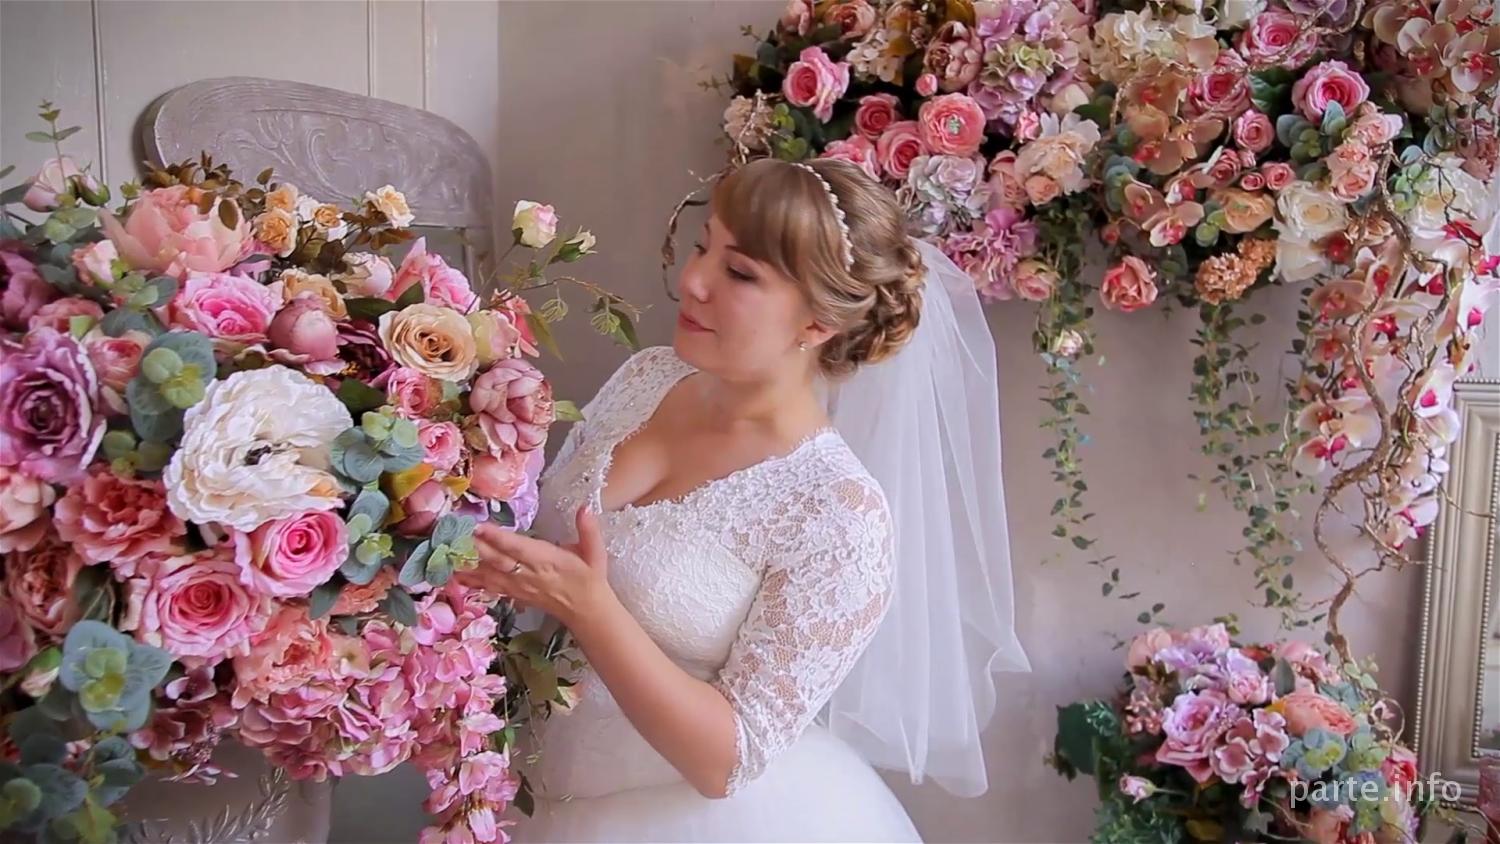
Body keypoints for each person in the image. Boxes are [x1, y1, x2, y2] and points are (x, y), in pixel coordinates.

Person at [466, 156, 1027, 842]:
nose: (693, 281)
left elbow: (726, 762)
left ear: (817, 322)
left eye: (738, 273)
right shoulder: (647, 377)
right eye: (703, 247)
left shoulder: (838, 512)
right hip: (524, 790)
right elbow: (541, 554)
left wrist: (591, 608)